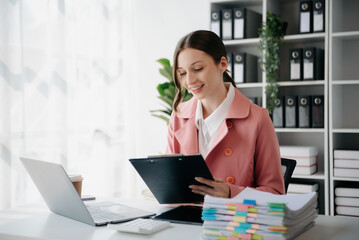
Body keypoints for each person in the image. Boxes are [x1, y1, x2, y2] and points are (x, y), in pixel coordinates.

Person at [166, 30, 285, 198]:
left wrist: (231, 192)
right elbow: (172, 182)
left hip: (234, 220)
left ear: (222, 64)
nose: (189, 81)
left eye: (198, 69)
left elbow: (276, 193)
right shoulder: (178, 116)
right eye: (182, 73)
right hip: (187, 221)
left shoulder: (258, 118)